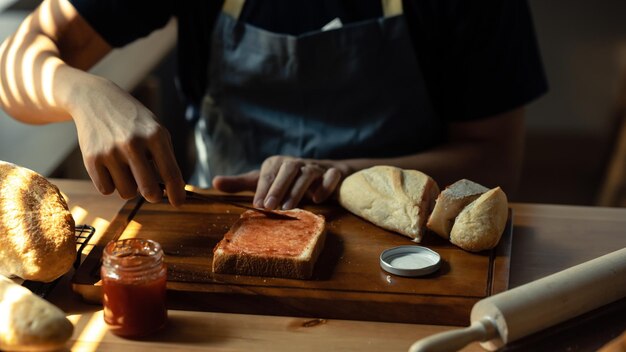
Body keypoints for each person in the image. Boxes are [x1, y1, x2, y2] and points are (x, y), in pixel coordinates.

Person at [0, 0, 547, 210]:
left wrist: (341, 175)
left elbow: (495, 160)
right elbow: (14, 68)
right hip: (225, 222)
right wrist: (82, 92)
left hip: (411, 252)